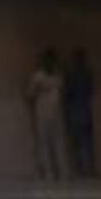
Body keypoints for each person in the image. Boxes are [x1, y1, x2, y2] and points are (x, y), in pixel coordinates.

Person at [25, 49, 65, 183]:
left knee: (58, 142)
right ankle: (48, 173)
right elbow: (30, 94)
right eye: (48, 60)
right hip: (42, 112)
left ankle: (61, 172)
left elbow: (62, 90)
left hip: (56, 113)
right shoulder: (38, 76)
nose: (50, 63)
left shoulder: (58, 75)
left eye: (52, 60)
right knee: (43, 143)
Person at [63, 48, 96, 179]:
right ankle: (83, 169)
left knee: (82, 142)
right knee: (81, 142)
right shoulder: (82, 74)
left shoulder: (78, 74)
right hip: (80, 110)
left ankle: (83, 169)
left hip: (79, 110)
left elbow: (69, 93)